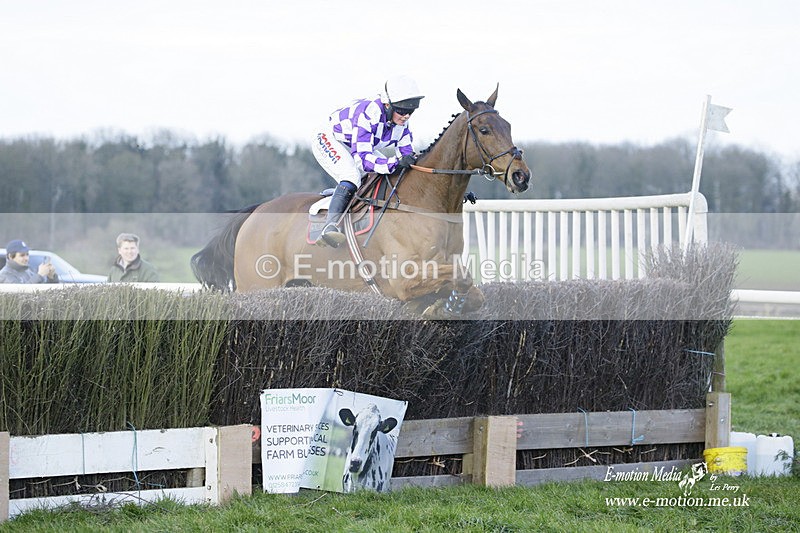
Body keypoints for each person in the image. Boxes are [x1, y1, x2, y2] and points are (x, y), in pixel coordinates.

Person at [311, 74, 424, 247]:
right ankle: (329, 227)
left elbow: (409, 160)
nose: (406, 116)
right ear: (387, 105)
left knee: (386, 173)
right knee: (351, 176)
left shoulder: (403, 125)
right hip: (331, 139)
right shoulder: (368, 113)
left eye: (411, 111)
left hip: (360, 146)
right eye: (401, 110)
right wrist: (394, 162)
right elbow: (363, 161)